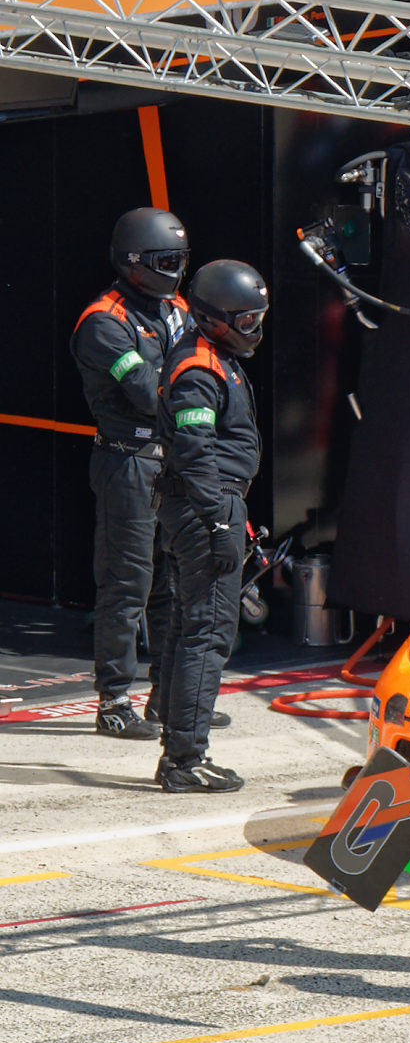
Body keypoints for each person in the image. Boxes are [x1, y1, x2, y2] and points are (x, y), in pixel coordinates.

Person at [72, 207, 193, 740]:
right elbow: (148, 394)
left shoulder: (178, 307)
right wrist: (186, 386)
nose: (178, 270)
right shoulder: (104, 321)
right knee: (127, 584)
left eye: (182, 259)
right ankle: (114, 701)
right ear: (135, 262)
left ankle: (166, 699)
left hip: (172, 460)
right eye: (169, 260)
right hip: (128, 459)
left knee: (174, 583)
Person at [153, 260, 268, 792]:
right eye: (245, 320)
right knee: (208, 632)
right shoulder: (198, 368)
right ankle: (185, 760)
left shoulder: (216, 356)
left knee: (187, 623)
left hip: (209, 505)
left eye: (257, 318)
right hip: (206, 507)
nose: (254, 329)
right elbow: (196, 452)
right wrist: (219, 522)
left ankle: (177, 745)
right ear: (214, 318)